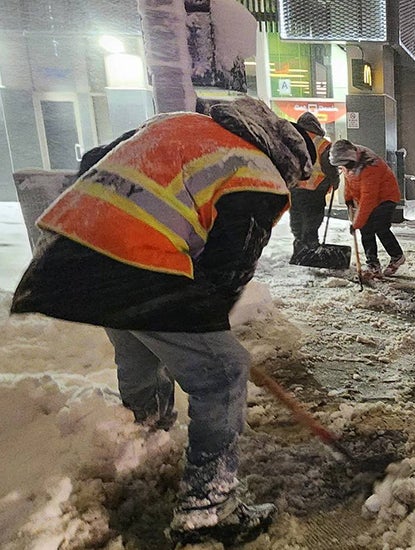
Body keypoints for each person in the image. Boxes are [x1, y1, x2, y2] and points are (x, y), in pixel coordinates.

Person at [9, 97, 311, 545]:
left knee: (140, 347)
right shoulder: (257, 174)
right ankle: (209, 507)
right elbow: (226, 272)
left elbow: (94, 160)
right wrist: (208, 327)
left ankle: (145, 439)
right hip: (139, 266)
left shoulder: (183, 126)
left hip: (70, 251)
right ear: (287, 160)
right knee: (223, 371)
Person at [329, 139, 406, 279]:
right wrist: (348, 198)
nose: (344, 167)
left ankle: (397, 256)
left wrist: (356, 223)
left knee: (379, 226)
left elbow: (368, 198)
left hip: (386, 197)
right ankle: (373, 264)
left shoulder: (370, 166)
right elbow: (349, 181)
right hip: (367, 198)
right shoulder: (350, 162)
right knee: (366, 229)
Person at [288, 111, 340, 261]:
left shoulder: (292, 141)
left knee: (297, 219)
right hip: (314, 190)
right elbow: (330, 166)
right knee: (312, 221)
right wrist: (335, 182)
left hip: (295, 189)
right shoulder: (322, 143)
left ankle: (299, 246)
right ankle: (310, 248)